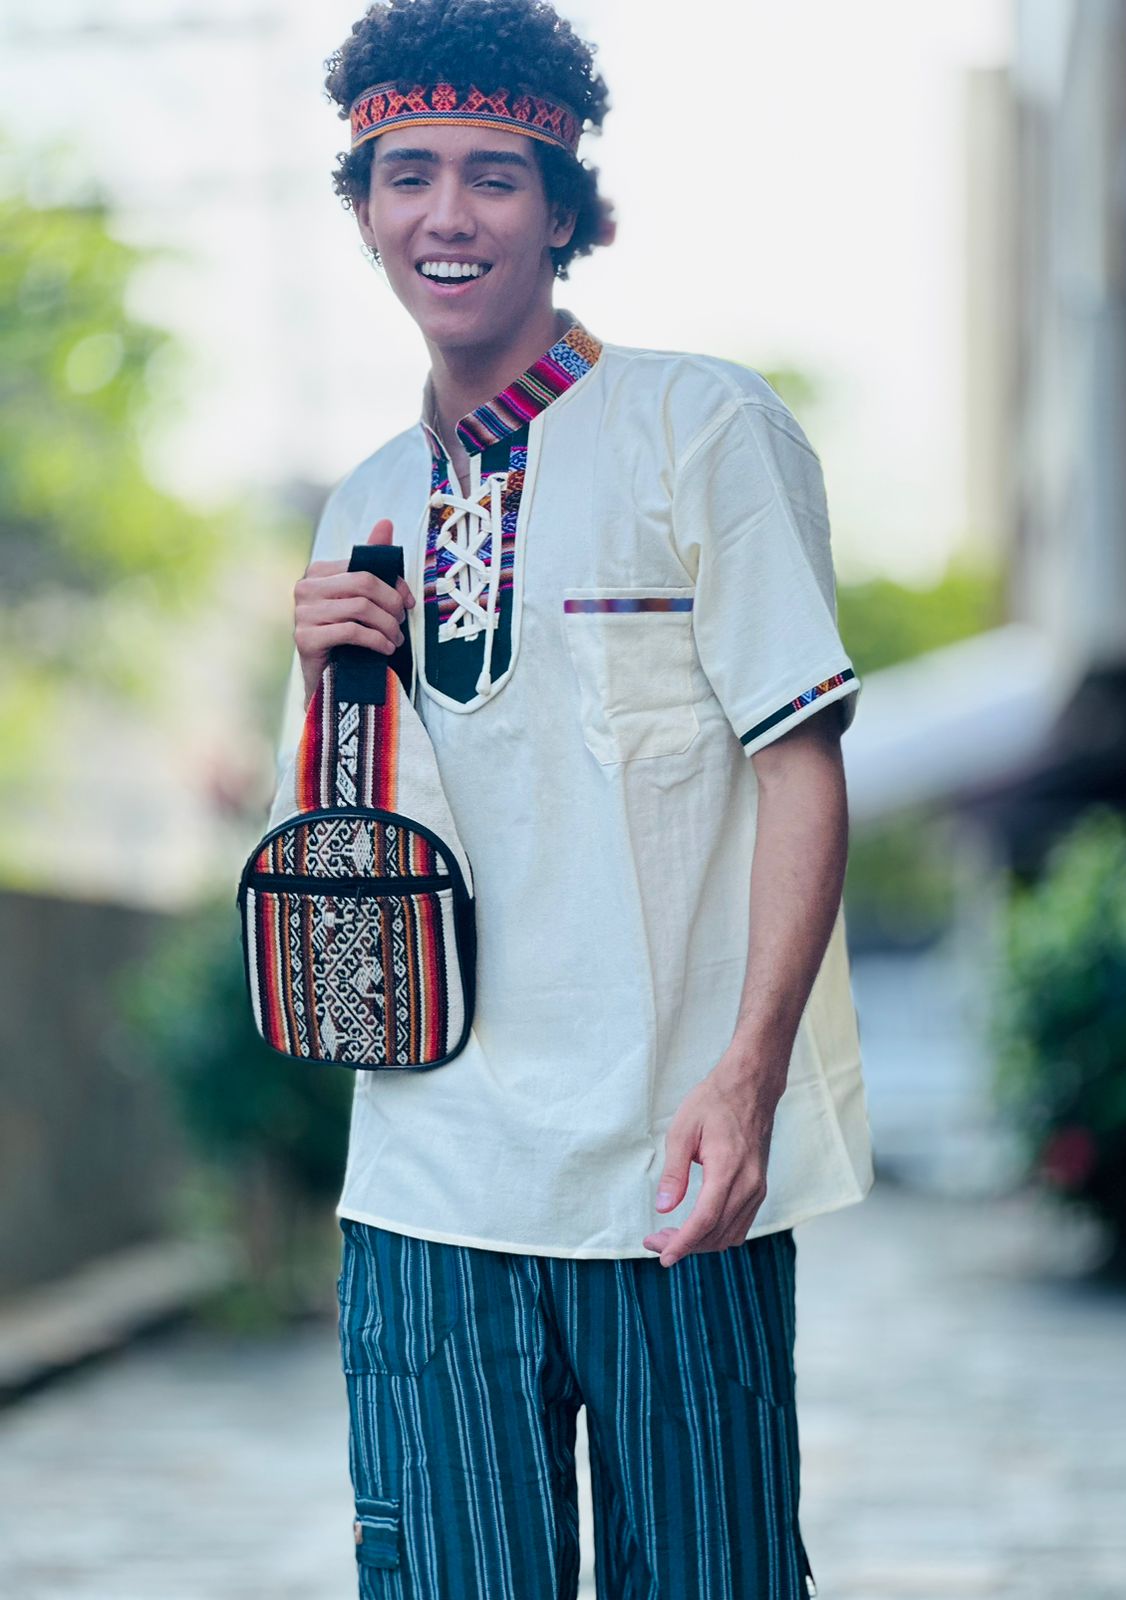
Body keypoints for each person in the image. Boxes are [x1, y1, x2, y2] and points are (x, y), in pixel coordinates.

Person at [273, 2, 874, 1594]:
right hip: (427, 1188)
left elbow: (800, 761)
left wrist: (748, 1077)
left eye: (494, 175)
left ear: (563, 210)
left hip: (671, 1172)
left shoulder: (703, 425)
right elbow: (346, 895)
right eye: (408, 174)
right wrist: (334, 689)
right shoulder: (361, 506)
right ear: (363, 208)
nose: (448, 214)